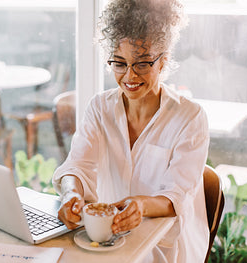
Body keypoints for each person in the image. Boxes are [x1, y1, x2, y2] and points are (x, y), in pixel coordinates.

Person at [52, 0, 210, 262]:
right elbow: (77, 166)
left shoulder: (190, 118)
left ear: (163, 62)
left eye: (142, 63)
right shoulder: (100, 108)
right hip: (108, 240)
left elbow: (176, 196)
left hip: (165, 247)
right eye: (119, 63)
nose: (129, 76)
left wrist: (141, 205)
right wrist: (71, 193)